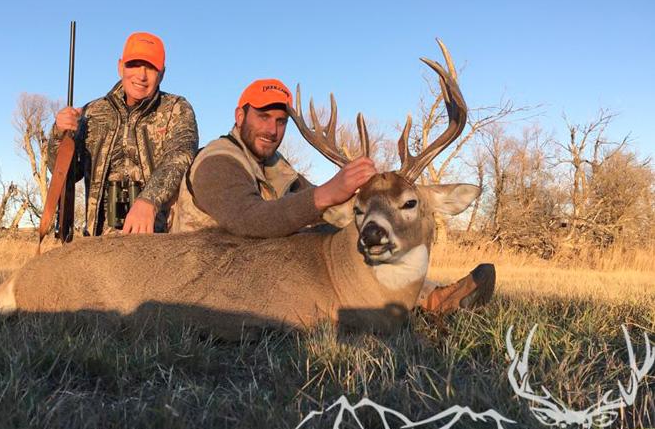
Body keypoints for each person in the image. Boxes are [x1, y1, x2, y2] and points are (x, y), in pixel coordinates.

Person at [171, 78, 494, 313]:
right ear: (240, 116)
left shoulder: (273, 165)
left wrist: (371, 195)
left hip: (256, 260)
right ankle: (426, 300)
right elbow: (250, 219)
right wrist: (326, 195)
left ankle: (431, 297)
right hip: (204, 268)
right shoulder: (218, 161)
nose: (272, 130)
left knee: (346, 237)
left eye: (280, 121)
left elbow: (323, 211)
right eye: (263, 117)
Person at [48, 31, 198, 235]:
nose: (141, 75)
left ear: (162, 73)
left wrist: (149, 201)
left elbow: (181, 155)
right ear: (120, 66)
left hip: (158, 241)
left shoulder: (176, 108)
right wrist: (59, 135)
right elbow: (69, 173)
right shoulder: (91, 112)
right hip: (98, 243)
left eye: (151, 67)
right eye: (134, 64)